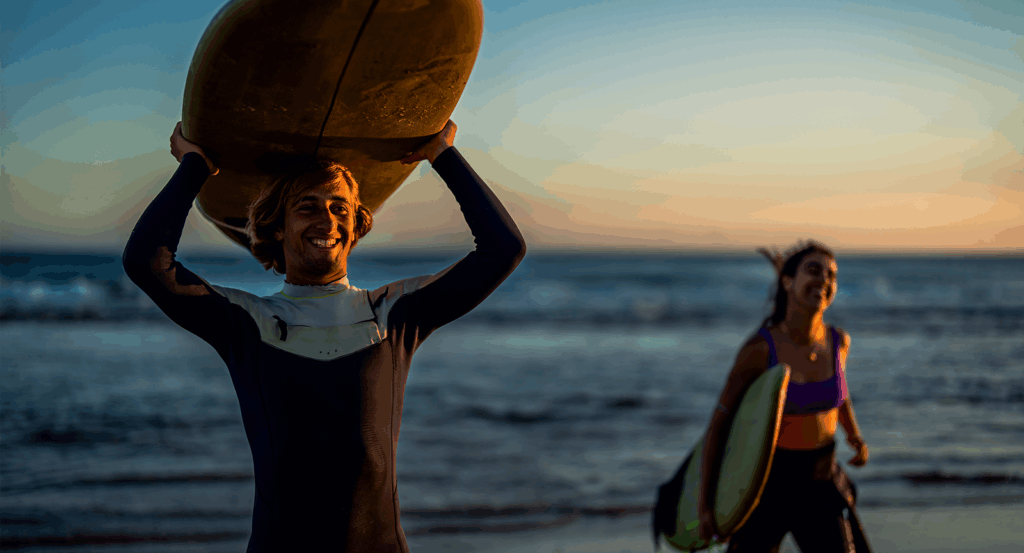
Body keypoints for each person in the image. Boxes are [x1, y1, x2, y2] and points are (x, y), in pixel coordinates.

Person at [122, 120, 526, 552]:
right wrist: (195, 166)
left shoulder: (394, 313)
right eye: (307, 207)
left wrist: (441, 153)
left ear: (355, 226)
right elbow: (148, 261)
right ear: (278, 227)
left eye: (340, 208)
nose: (326, 220)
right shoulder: (245, 321)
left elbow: (503, 248)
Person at [697, 241, 872, 552]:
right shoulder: (760, 349)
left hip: (820, 482)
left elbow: (839, 394)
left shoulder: (838, 342)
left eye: (831, 275)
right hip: (766, 486)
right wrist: (706, 503)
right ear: (787, 282)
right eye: (814, 271)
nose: (825, 281)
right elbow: (720, 423)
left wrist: (854, 436)